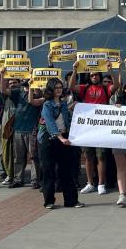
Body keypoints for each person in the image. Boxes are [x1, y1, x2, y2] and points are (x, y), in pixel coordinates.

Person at [70, 62, 118, 195]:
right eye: (92, 75)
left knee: (101, 156)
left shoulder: (105, 88)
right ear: (89, 77)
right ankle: (90, 183)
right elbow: (71, 86)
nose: (94, 77)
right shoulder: (85, 88)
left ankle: (101, 184)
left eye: (96, 74)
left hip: (101, 128)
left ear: (100, 76)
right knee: (88, 157)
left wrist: (111, 70)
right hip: (87, 128)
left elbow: (117, 86)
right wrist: (74, 70)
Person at [37, 78, 83, 210]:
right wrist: (60, 138)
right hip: (49, 140)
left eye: (60, 87)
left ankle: (71, 200)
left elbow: (66, 119)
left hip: (64, 137)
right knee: (48, 171)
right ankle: (49, 201)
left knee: (66, 171)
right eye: (56, 87)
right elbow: (50, 123)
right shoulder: (46, 105)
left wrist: (73, 107)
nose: (58, 89)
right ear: (50, 89)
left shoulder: (63, 104)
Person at [6, 79, 45, 188]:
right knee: (18, 157)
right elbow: (3, 90)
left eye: (29, 84)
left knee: (33, 156)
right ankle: (18, 179)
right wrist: (1, 74)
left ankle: (35, 180)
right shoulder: (18, 93)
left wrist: (34, 86)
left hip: (31, 130)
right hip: (18, 129)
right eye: (26, 85)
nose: (27, 87)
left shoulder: (38, 94)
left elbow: (31, 100)